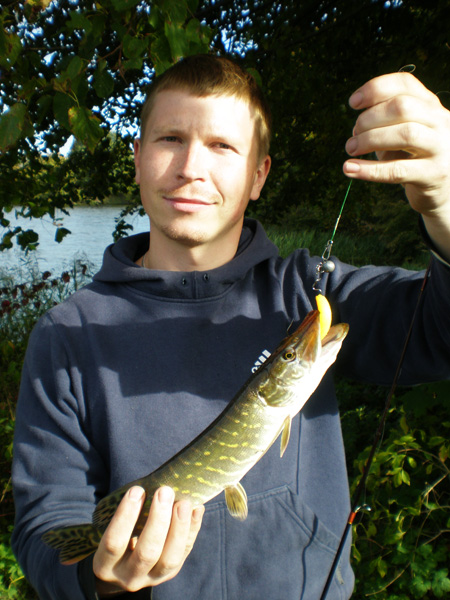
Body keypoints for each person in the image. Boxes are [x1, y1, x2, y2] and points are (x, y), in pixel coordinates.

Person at [11, 54, 450, 600]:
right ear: (138, 159)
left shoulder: (308, 291)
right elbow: (47, 527)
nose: (191, 167)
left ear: (258, 175)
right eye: (170, 139)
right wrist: (99, 579)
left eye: (222, 146)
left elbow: (439, 333)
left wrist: (445, 208)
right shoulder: (66, 334)